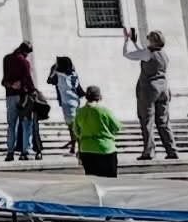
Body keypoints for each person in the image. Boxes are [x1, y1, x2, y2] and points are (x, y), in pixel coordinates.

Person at [124, 28, 177, 160]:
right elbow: (143, 53)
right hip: (164, 89)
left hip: (149, 90)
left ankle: (149, 151)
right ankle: (172, 150)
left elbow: (128, 54)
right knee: (163, 121)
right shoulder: (164, 54)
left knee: (147, 121)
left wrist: (126, 41)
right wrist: (136, 43)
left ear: (152, 41)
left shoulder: (148, 53)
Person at [1, 42, 40, 162]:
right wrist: (33, 91)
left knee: (12, 125)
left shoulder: (6, 59)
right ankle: (25, 151)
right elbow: (28, 78)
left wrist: (11, 85)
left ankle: (10, 152)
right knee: (26, 124)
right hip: (23, 97)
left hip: (10, 96)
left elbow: (4, 80)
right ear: (26, 52)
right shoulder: (24, 62)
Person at [72, 86, 120, 178]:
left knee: (92, 179)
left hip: (86, 148)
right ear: (99, 97)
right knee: (110, 180)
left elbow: (76, 130)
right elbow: (117, 127)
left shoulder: (80, 112)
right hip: (105, 148)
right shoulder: (105, 111)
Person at [46, 58, 83, 151]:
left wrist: (54, 69)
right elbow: (79, 89)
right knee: (74, 125)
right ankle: (74, 145)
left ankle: (78, 145)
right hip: (76, 102)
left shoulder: (59, 76)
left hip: (67, 103)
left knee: (72, 126)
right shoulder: (73, 74)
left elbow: (49, 80)